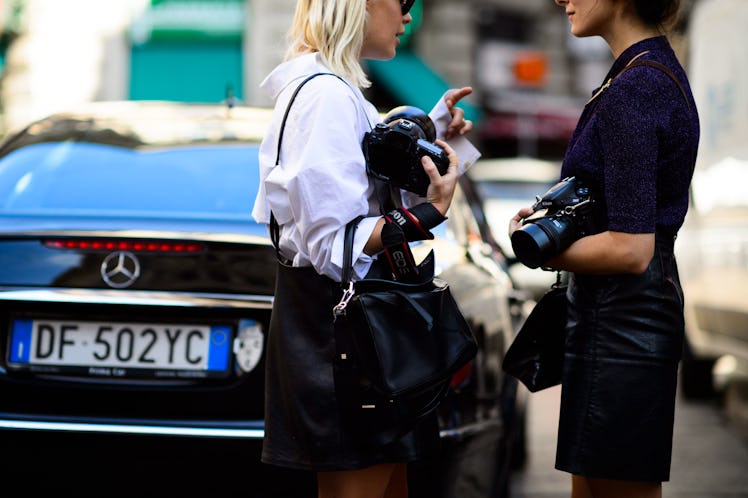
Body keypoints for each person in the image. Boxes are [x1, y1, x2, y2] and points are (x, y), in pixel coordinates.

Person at [251, 1, 479, 497]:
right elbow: (334, 243)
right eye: (403, 3)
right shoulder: (325, 96)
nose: (409, 17)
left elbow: (365, 181)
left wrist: (433, 134)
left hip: (354, 337)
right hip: (344, 340)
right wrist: (426, 215)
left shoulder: (337, 91)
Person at [509, 1, 699, 497]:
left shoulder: (637, 87)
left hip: (625, 323)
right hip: (615, 317)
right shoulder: (639, 76)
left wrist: (546, 253)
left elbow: (632, 248)